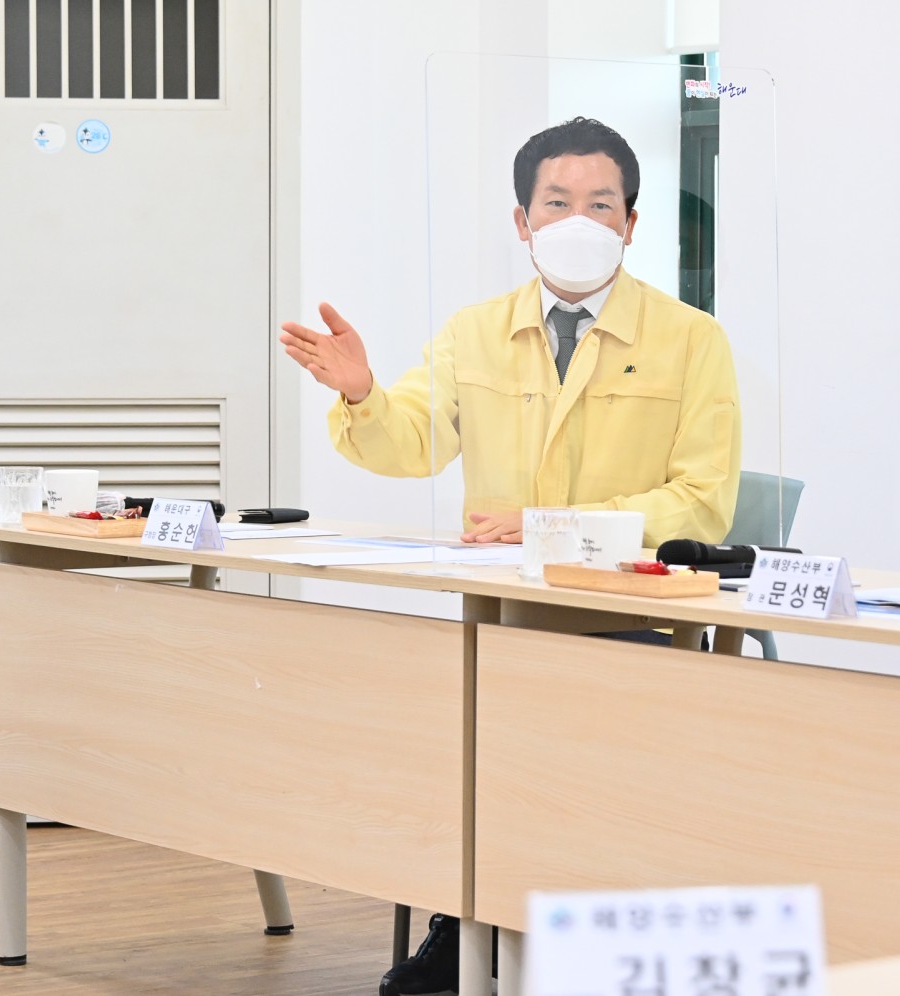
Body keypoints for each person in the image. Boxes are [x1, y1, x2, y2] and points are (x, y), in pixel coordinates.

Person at [281, 117, 742, 995]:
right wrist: (363, 392)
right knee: (446, 721)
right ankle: (473, 926)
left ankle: (509, 936)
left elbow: (701, 501)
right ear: (523, 221)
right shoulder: (475, 332)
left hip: (631, 619)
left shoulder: (692, 340)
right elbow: (411, 443)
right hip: (502, 617)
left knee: (534, 730)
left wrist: (551, 526)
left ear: (632, 223)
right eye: (557, 203)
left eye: (600, 204)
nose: (578, 222)